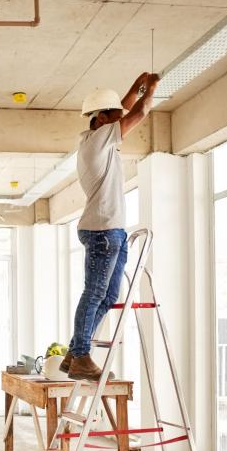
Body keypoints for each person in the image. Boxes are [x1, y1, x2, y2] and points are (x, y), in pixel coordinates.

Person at [61, 73, 160, 381]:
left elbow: (125, 107)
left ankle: (75, 351)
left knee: (107, 296)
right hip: (103, 230)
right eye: (115, 115)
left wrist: (136, 87)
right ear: (100, 119)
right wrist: (152, 90)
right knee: (94, 294)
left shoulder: (98, 138)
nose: (121, 120)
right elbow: (139, 112)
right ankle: (80, 355)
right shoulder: (99, 138)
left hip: (110, 230)